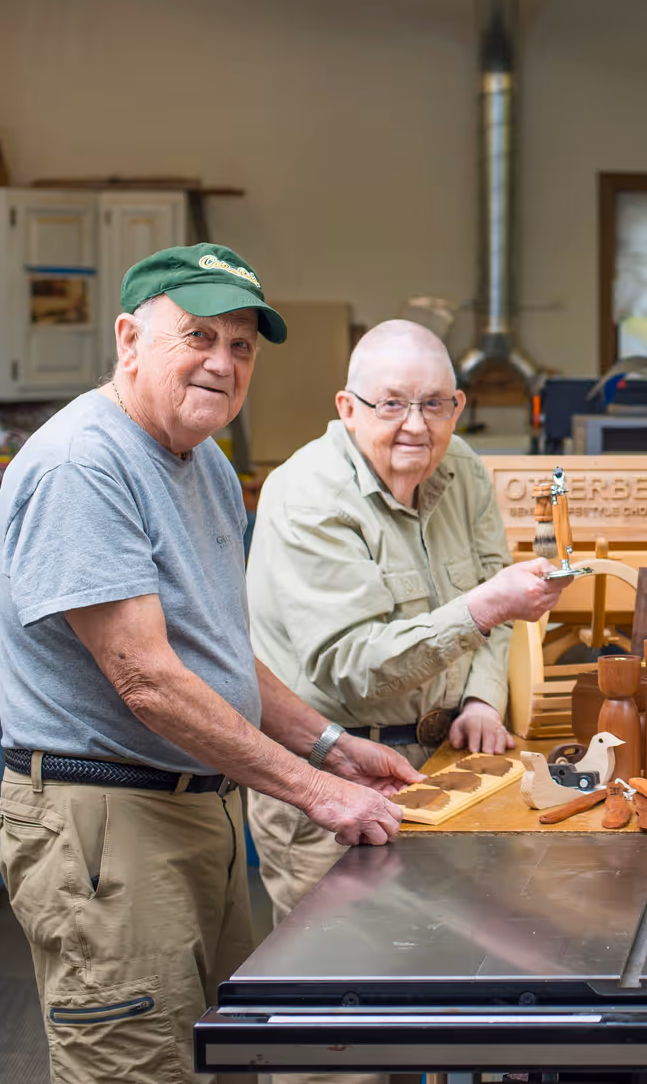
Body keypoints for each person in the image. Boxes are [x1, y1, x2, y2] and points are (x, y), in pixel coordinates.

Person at [0, 244, 424, 1084]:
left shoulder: (209, 467)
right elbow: (145, 678)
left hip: (198, 810)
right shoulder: (86, 463)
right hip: (107, 824)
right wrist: (313, 790)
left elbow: (218, 655)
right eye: (198, 336)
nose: (222, 363)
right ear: (128, 338)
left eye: (242, 345)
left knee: (218, 1060)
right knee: (138, 1065)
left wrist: (330, 745)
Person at [246, 320, 568, 932]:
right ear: (348, 408)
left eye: (434, 404)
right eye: (391, 403)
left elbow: (491, 586)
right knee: (342, 984)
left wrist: (482, 698)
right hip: (334, 778)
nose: (416, 425)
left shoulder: (462, 466)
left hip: (451, 762)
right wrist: (488, 606)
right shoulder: (307, 496)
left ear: (458, 406)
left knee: (450, 965)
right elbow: (353, 669)